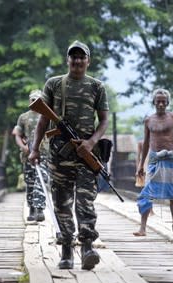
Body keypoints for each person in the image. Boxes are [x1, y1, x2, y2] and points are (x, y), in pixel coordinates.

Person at [28, 40, 109, 270]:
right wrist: (34, 149)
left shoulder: (97, 86)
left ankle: (87, 248)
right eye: (73, 56)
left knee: (85, 202)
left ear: (88, 60)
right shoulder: (54, 84)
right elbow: (43, 120)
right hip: (59, 154)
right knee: (61, 202)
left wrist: (91, 142)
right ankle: (66, 250)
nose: (77, 61)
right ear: (68, 60)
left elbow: (103, 120)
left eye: (81, 57)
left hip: (86, 154)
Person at [133, 88, 173, 237]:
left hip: (169, 159)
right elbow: (145, 143)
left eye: (164, 102)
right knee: (147, 192)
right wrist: (140, 164)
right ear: (154, 103)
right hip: (154, 159)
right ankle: (142, 227)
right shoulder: (149, 120)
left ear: (168, 103)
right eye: (158, 102)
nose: (161, 104)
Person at [12, 89, 49, 222]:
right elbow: (17, 134)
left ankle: (40, 209)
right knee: (30, 182)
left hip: (44, 153)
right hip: (28, 155)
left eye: (38, 100)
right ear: (29, 100)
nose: (35, 102)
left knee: (41, 180)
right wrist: (23, 147)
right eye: (33, 100)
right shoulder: (23, 117)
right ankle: (32, 209)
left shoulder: (47, 115)